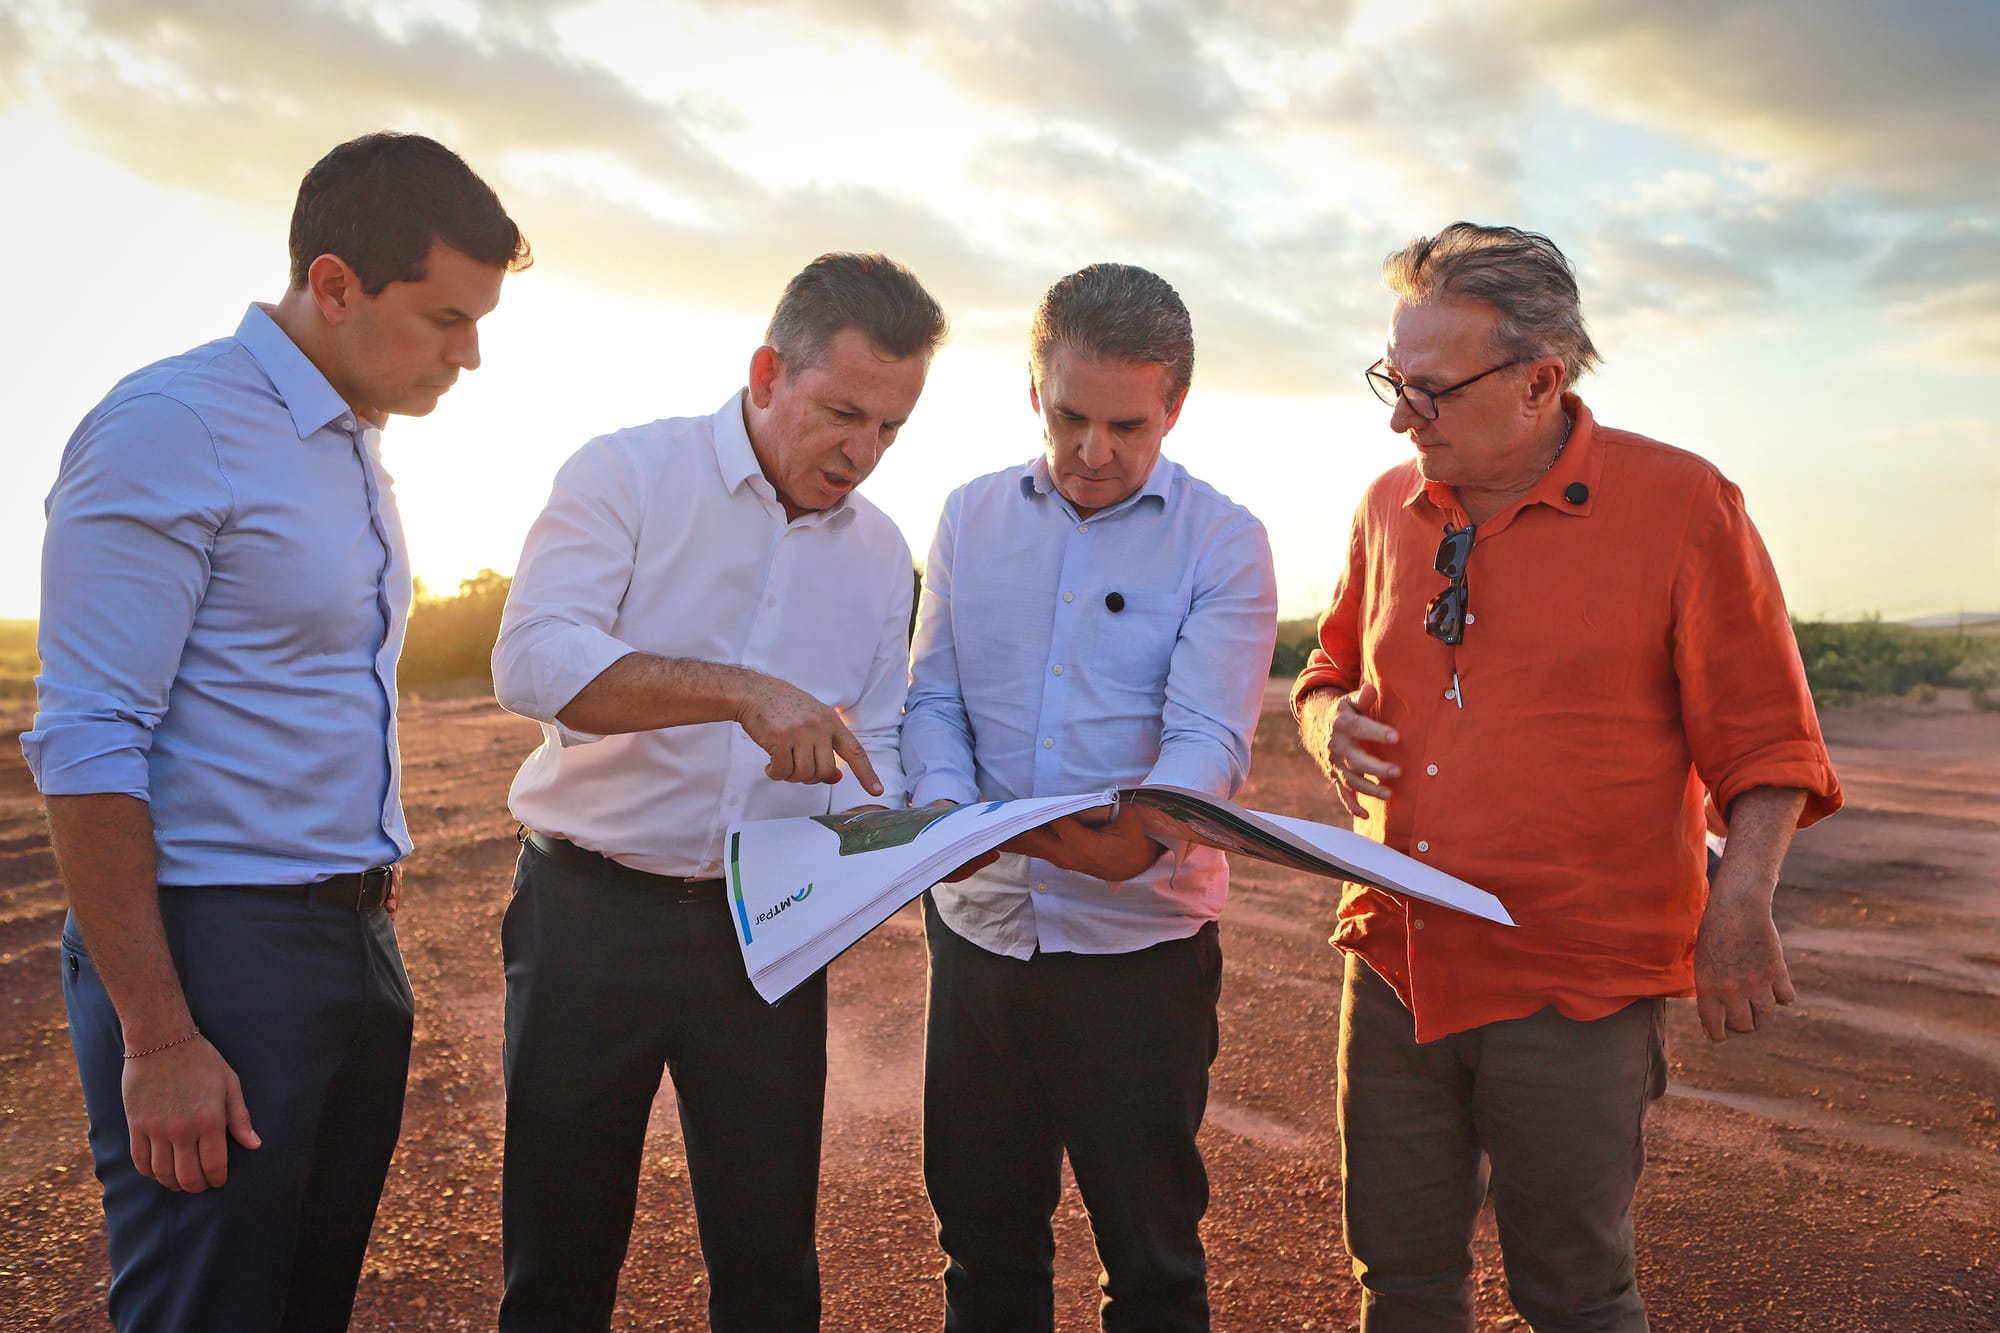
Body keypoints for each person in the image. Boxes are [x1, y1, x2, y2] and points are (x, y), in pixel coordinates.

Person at [1293, 222, 1843, 1331]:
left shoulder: (1682, 505)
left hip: (1574, 978)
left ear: (1539, 379)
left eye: (1430, 391)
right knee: (1396, 1281)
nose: (1402, 418)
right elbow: (1324, 672)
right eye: (1390, 384)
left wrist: (1738, 901)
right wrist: (1326, 727)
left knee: (1574, 1291)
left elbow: (1765, 740)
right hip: (1395, 958)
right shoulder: (1382, 510)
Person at [23, 132, 529, 1331]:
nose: (471, 354)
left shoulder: (352, 442)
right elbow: (88, 739)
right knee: (205, 1305)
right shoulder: (171, 424)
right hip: (210, 947)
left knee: (304, 1302)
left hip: (346, 937)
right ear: (336, 283)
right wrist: (158, 1036)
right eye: (446, 318)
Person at [490, 252, 947, 1332]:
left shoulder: (883, 555)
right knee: (558, 1256)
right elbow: (533, 661)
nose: (864, 453)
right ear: (764, 373)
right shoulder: (624, 473)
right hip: (587, 916)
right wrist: (737, 692)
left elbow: (873, 737)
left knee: (767, 1259)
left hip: (768, 928)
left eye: (891, 429)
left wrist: (911, 831)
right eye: (843, 413)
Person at [902, 262, 1278, 1331]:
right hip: (976, 938)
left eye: (1125, 424)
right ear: (1033, 389)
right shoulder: (969, 516)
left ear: (1175, 407)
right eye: (1069, 415)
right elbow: (932, 696)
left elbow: (1207, 734)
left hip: (1138, 948)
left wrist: (1146, 837)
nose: (1092, 451)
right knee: (983, 1251)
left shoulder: (1221, 538)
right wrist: (940, 812)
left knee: (1152, 1261)